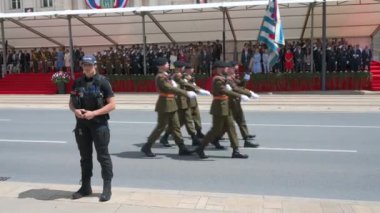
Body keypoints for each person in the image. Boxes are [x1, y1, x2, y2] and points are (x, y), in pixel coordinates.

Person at [69, 54, 116, 202]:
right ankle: (85, 187)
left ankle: (107, 187)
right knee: (85, 157)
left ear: (95, 65)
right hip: (82, 125)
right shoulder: (77, 82)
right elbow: (71, 102)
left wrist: (94, 113)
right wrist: (75, 110)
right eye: (84, 65)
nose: (87, 67)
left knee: (103, 156)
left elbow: (112, 105)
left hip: (99, 124)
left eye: (89, 65)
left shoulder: (103, 82)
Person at [141, 57, 197, 157]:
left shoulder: (166, 75)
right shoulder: (160, 77)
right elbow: (169, 88)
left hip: (172, 103)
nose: (168, 65)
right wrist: (186, 93)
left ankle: (182, 147)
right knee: (161, 127)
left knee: (176, 126)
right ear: (161, 66)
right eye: (166, 63)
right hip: (164, 104)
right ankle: (147, 146)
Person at [194, 61, 251, 159]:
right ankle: (201, 148)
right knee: (215, 130)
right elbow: (224, 91)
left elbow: (236, 87)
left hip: (226, 106)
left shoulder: (225, 79)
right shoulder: (217, 79)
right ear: (220, 69)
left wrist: (247, 83)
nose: (227, 69)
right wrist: (240, 95)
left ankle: (236, 150)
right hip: (219, 107)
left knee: (231, 127)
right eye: (225, 68)